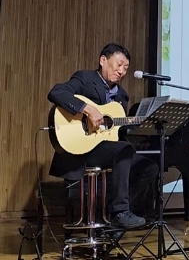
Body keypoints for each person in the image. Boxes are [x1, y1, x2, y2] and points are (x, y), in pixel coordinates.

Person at [48, 43, 158, 229]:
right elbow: (56, 92)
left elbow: (115, 131)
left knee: (149, 166)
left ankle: (116, 213)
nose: (121, 71)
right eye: (119, 64)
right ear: (103, 60)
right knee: (124, 150)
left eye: (126, 68)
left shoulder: (121, 96)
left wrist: (139, 125)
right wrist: (87, 109)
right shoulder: (85, 78)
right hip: (79, 149)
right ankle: (119, 212)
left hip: (106, 148)